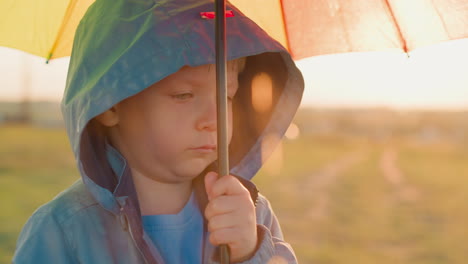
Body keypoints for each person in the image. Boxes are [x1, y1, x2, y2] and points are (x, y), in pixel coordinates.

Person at [12, 0, 304, 263]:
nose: (213, 120)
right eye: (184, 95)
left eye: (226, 97)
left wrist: (249, 253)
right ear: (110, 105)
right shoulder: (63, 231)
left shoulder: (249, 213)